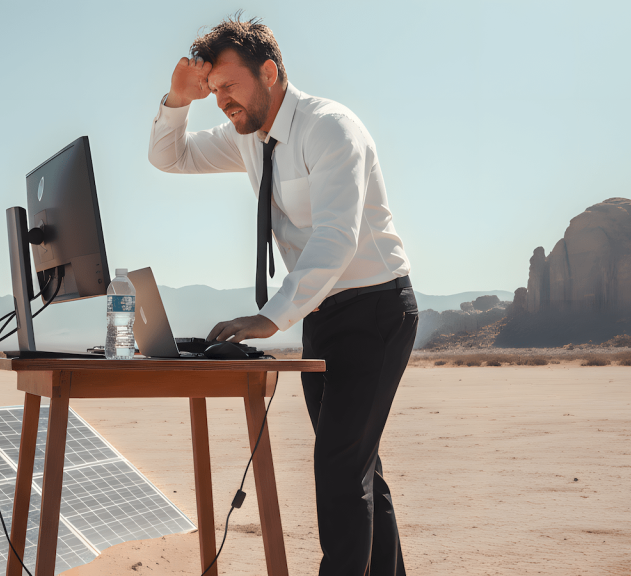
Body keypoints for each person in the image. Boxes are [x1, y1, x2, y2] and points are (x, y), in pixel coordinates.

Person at [147, 15, 418, 576]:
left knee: (341, 469)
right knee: (358, 467)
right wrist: (178, 99)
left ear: (268, 71)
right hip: (320, 315)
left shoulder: (330, 128)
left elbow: (336, 237)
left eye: (229, 86)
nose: (221, 100)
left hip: (376, 308)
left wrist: (269, 320)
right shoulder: (245, 135)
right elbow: (168, 157)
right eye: (214, 89)